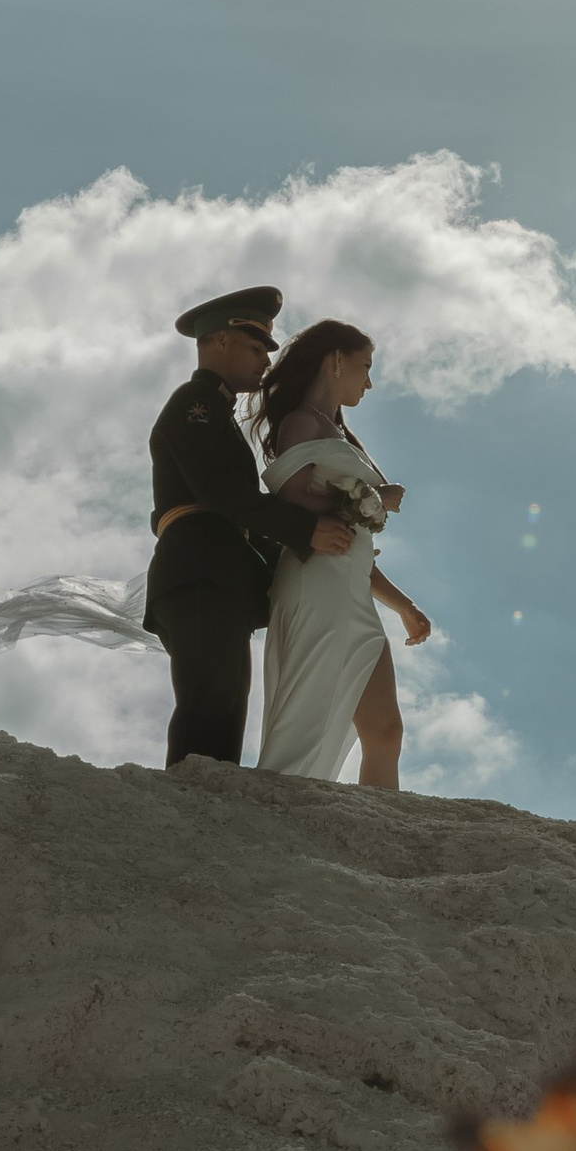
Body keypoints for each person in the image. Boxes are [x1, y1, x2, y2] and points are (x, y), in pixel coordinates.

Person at [146, 289, 358, 769]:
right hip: (199, 573)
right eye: (256, 346)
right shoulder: (194, 403)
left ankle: (206, 814)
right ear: (219, 340)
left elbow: (234, 507)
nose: (266, 359)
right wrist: (305, 531)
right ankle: (190, 811)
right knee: (209, 704)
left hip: (216, 577)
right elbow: (222, 493)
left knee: (224, 708)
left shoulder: (216, 410)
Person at [253, 318, 432, 787]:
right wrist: (377, 499)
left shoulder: (339, 433)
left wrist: (405, 607)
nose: (370, 381)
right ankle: (271, 816)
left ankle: (380, 832)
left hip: (352, 588)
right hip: (317, 585)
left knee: (386, 730)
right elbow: (290, 500)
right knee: (305, 722)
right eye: (365, 366)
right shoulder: (298, 423)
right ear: (335, 360)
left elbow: (355, 540)